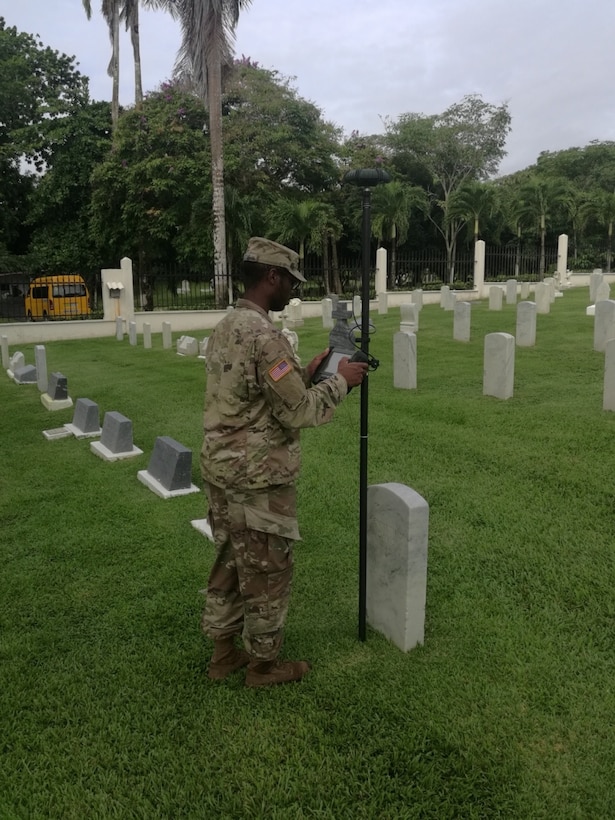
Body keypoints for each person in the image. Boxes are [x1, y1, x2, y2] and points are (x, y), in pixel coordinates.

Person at [200, 237, 368, 687]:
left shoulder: (227, 325)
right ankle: (264, 666)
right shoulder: (265, 337)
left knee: (230, 564)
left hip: (222, 472)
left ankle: (223, 654)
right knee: (268, 572)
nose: (294, 290)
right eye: (291, 281)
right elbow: (297, 411)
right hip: (257, 479)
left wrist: (306, 375)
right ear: (271, 277)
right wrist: (342, 383)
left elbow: (255, 395)